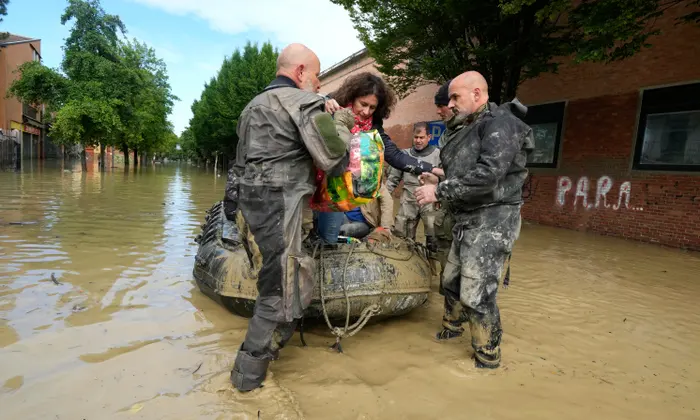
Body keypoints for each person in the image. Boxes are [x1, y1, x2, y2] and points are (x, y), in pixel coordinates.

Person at [223, 43, 357, 392]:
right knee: (279, 289)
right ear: (300, 72)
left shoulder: (251, 107)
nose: (318, 82)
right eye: (315, 74)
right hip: (282, 205)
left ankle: (269, 355)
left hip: (252, 207)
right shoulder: (304, 103)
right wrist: (341, 121)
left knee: (275, 278)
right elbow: (334, 158)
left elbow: (239, 166)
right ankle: (246, 383)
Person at [415, 71, 534, 369]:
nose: (450, 103)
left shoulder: (500, 123)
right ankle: (452, 327)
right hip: (466, 217)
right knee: (451, 278)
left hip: (493, 219)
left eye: (456, 97)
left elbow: (489, 175)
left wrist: (438, 190)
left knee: (477, 291)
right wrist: (439, 176)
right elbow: (470, 170)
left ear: (477, 95)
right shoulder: (471, 125)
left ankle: (487, 357)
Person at [316, 72, 444, 244]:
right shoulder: (330, 108)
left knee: (334, 239)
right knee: (320, 238)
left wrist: (432, 168)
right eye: (363, 104)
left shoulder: (373, 128)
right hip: (323, 192)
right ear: (352, 97)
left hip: (350, 205)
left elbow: (395, 156)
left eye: (373, 108)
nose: (366, 112)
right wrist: (321, 101)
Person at [386, 122, 441, 251]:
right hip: (408, 201)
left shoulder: (438, 155)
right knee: (403, 239)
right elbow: (392, 180)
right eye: (416, 137)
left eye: (422, 137)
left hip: (430, 201)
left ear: (429, 137)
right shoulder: (403, 156)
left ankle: (432, 269)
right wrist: (382, 196)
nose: (418, 141)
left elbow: (445, 178)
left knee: (434, 239)